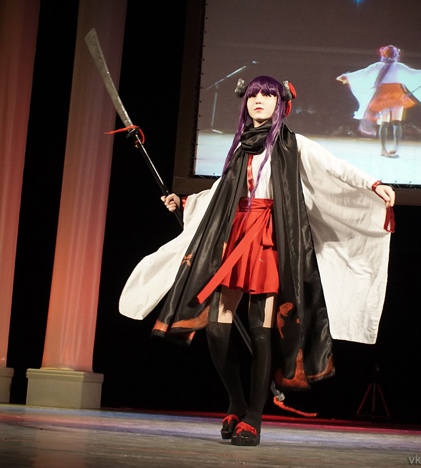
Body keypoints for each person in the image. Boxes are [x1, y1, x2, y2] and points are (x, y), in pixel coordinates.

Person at [119, 75, 395, 446]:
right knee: (217, 330)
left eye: (267, 94)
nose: (259, 100)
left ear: (280, 103)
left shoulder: (292, 143)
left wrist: (374, 184)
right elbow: (223, 191)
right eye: (253, 95)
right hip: (235, 236)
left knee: (260, 331)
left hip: (268, 238)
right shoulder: (241, 146)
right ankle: (236, 401)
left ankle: (253, 418)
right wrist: (185, 202)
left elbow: (334, 166)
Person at [337, 45, 421, 157]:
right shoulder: (385, 66)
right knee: (390, 123)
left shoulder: (389, 66)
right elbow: (364, 72)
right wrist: (347, 76)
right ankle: (387, 148)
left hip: (392, 95)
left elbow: (364, 73)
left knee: (392, 123)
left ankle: (391, 148)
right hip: (389, 95)